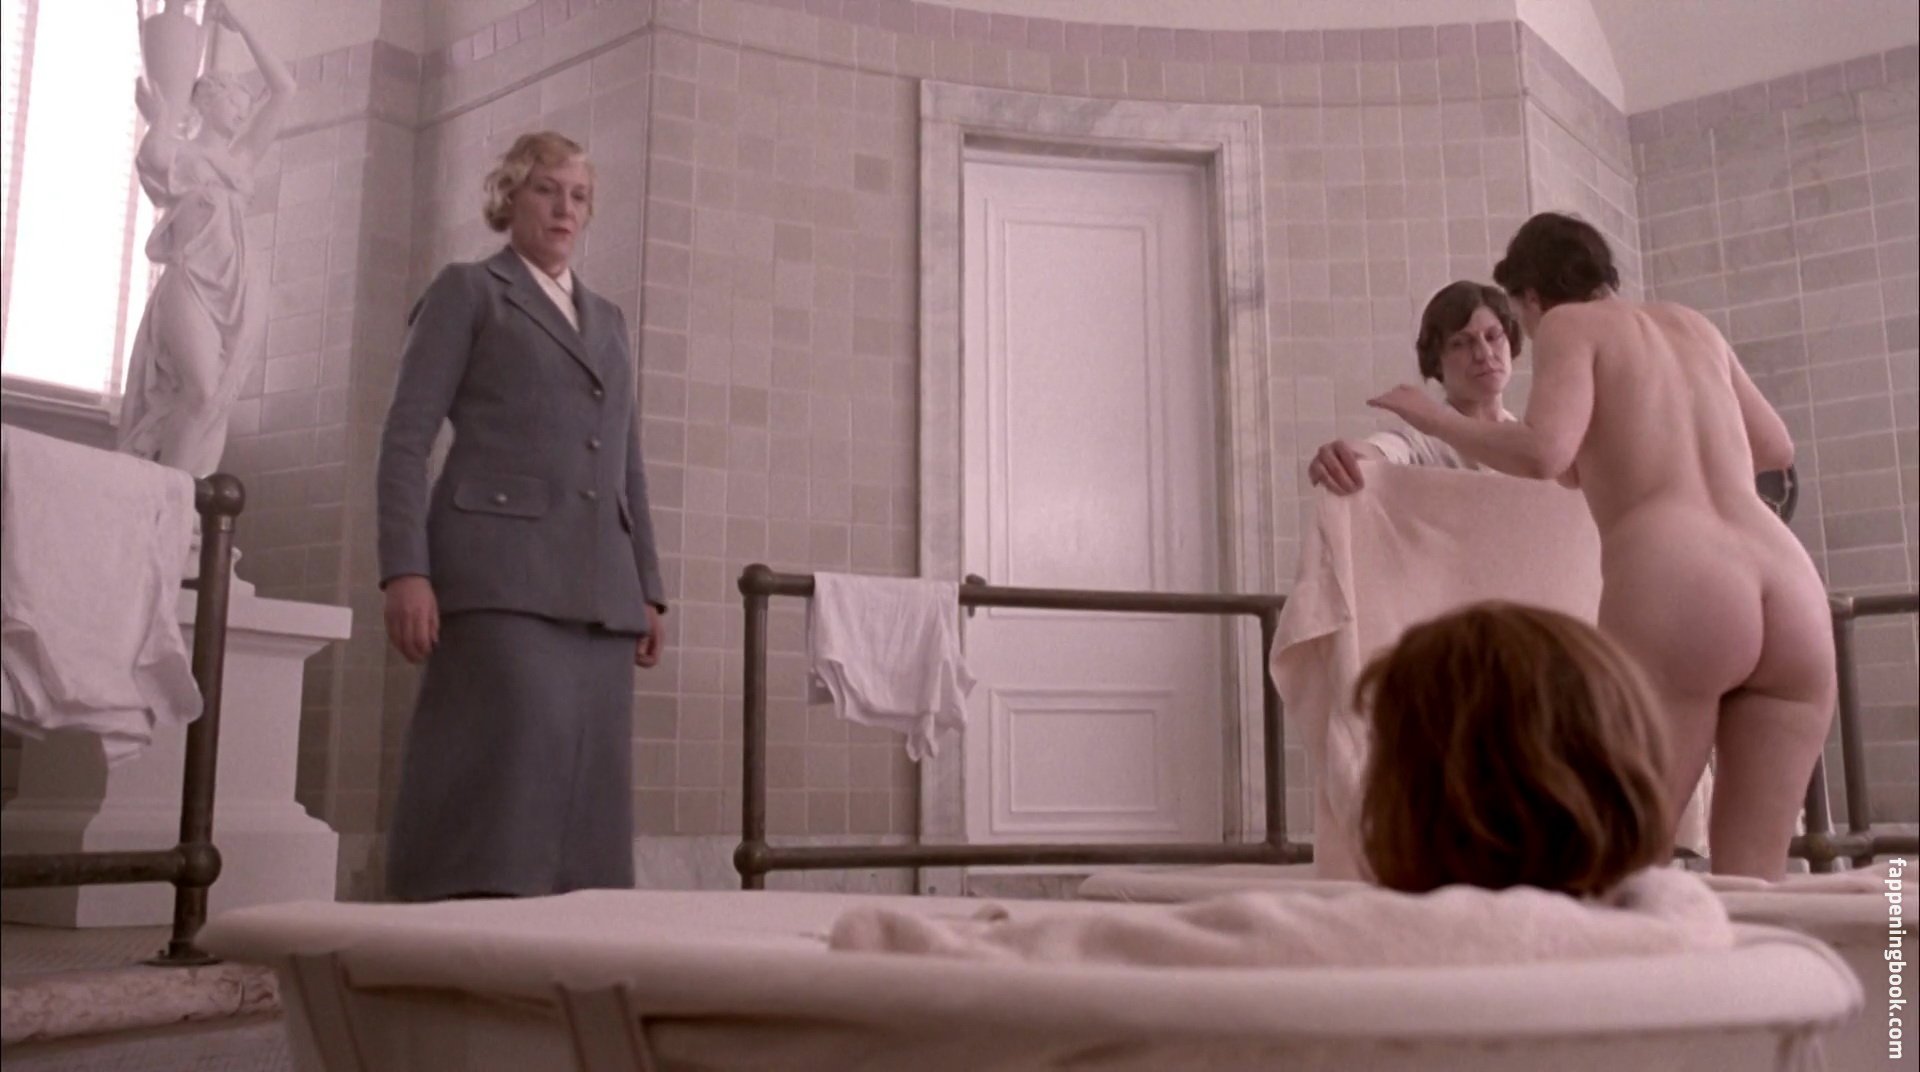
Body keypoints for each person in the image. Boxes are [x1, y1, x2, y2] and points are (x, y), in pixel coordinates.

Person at [828, 603, 1727, 966]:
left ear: (1404, 793)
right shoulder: (1687, 934)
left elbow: (890, 947)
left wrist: (978, 924)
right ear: (1626, 769)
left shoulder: (1308, 942)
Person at [1369, 212, 1830, 879]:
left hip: (1684, 581)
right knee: (1754, 877)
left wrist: (1432, 416)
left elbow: (1543, 452)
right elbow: (1776, 447)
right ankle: (1840, 946)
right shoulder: (1692, 325)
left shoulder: (1569, 326)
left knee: (1625, 862)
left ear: (1531, 298)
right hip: (1788, 582)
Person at [376, 131, 669, 902]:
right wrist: (406, 571)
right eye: (547, 190)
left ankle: (572, 950)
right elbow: (405, 440)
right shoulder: (468, 292)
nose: (564, 208)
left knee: (590, 801)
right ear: (510, 197)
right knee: (499, 782)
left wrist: (647, 586)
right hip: (497, 579)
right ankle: (459, 933)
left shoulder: (608, 319)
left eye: (579, 195)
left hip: (602, 592)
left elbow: (626, 460)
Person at [119, 1, 293, 478]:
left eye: (244, 106)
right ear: (205, 101)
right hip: (191, 282)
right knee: (200, 388)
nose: (241, 112)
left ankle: (187, 504)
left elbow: (284, 89)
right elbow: (155, 156)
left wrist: (242, 23)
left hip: (239, 288)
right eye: (233, 101)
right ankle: (170, 497)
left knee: (216, 400)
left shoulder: (241, 161)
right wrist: (162, 116)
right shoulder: (180, 155)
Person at [1307, 281, 1523, 495]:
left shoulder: (1528, 442)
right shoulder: (1420, 444)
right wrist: (1343, 456)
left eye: (1493, 336)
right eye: (1460, 343)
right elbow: (1380, 452)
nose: (1484, 353)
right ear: (1436, 362)